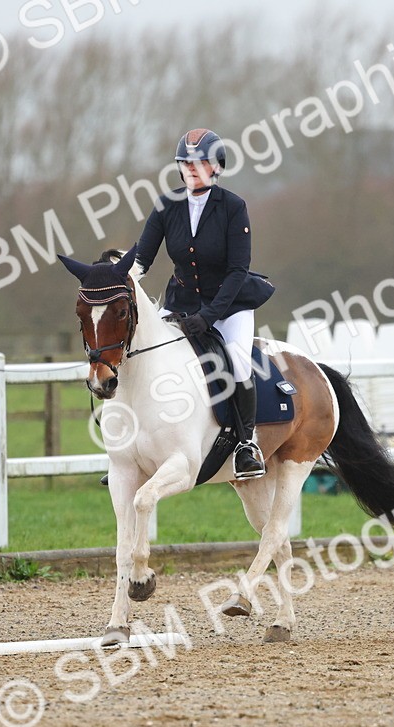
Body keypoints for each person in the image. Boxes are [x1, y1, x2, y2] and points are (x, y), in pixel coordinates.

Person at [133, 128, 275, 480]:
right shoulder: (166, 205)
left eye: (200, 163)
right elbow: (141, 260)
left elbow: (237, 270)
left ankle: (246, 445)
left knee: (238, 363)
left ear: (216, 167)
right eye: (185, 163)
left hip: (229, 305)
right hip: (181, 302)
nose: (192, 169)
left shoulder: (233, 207)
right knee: (144, 352)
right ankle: (135, 447)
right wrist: (118, 279)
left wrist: (209, 317)